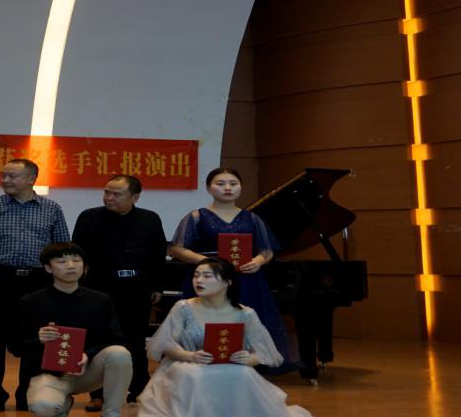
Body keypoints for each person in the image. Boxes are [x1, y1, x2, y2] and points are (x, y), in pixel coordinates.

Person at [137, 258, 311, 417]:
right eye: (196, 275)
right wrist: (190, 356)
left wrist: (250, 358)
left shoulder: (246, 314)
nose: (199, 280)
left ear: (227, 282)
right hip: (187, 363)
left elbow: (264, 352)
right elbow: (165, 344)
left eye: (207, 276)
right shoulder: (183, 307)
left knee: (244, 373)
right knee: (194, 375)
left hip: (229, 364)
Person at [0, 158, 71, 410]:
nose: (5, 180)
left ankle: (28, 398)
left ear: (32, 179)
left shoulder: (51, 208)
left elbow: (62, 246)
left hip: (38, 280)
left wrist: (63, 278)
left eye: (12, 176)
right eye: (3, 175)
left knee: (36, 339)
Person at [168, 168, 291, 367]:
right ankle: (204, 358)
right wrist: (208, 263)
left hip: (245, 279)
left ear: (240, 187)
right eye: (220, 183)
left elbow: (267, 250)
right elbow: (177, 249)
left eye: (233, 184)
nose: (228, 188)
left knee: (245, 320)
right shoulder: (196, 216)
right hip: (208, 278)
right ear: (209, 188)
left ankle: (246, 361)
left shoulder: (252, 218)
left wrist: (258, 261)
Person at [72, 174, 168, 407]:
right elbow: (77, 254)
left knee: (135, 339)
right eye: (107, 192)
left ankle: (138, 391)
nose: (109, 197)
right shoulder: (89, 218)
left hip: (137, 288)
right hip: (99, 288)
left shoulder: (150, 219)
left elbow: (158, 255)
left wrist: (157, 286)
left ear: (135, 197)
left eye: (116, 194)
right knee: (98, 338)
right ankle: (97, 394)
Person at [20, 243, 133, 417]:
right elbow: (16, 346)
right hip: (49, 376)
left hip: (88, 371)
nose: (71, 265)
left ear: (84, 267)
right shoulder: (30, 302)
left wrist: (88, 354)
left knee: (119, 354)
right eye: (62, 261)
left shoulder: (101, 300)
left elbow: (115, 338)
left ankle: (112, 414)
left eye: (76, 260)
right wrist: (38, 339)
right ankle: (62, 404)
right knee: (43, 406)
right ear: (48, 268)